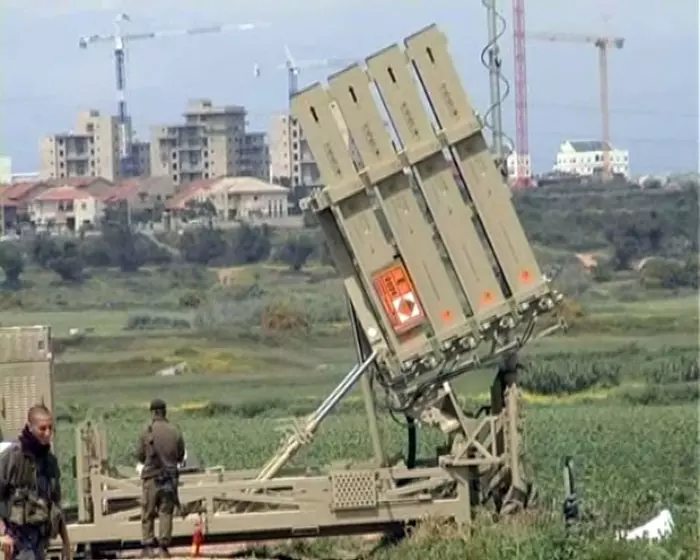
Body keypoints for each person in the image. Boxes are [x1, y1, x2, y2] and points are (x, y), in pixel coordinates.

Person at [0, 404, 71, 560]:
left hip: (39, 542)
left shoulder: (49, 462)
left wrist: (66, 543)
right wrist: (2, 534)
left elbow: (56, 504)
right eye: (42, 428)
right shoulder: (13, 459)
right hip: (15, 542)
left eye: (50, 428)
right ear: (30, 427)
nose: (48, 433)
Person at [135, 399, 185, 559]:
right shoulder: (175, 430)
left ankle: (148, 548)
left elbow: (140, 456)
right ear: (165, 411)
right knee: (165, 513)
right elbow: (181, 455)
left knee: (148, 512)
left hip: (151, 478)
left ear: (152, 412)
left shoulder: (146, 432)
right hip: (169, 480)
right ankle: (163, 548)